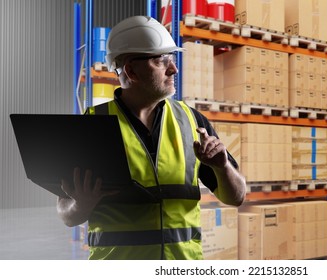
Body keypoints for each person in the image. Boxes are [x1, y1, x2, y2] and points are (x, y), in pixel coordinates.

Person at [56, 15, 246, 260]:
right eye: (161, 60)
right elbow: (65, 214)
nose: (173, 68)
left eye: (172, 58)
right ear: (131, 71)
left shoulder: (192, 122)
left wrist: (222, 167)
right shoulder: (91, 126)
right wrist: (81, 204)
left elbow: (237, 197)